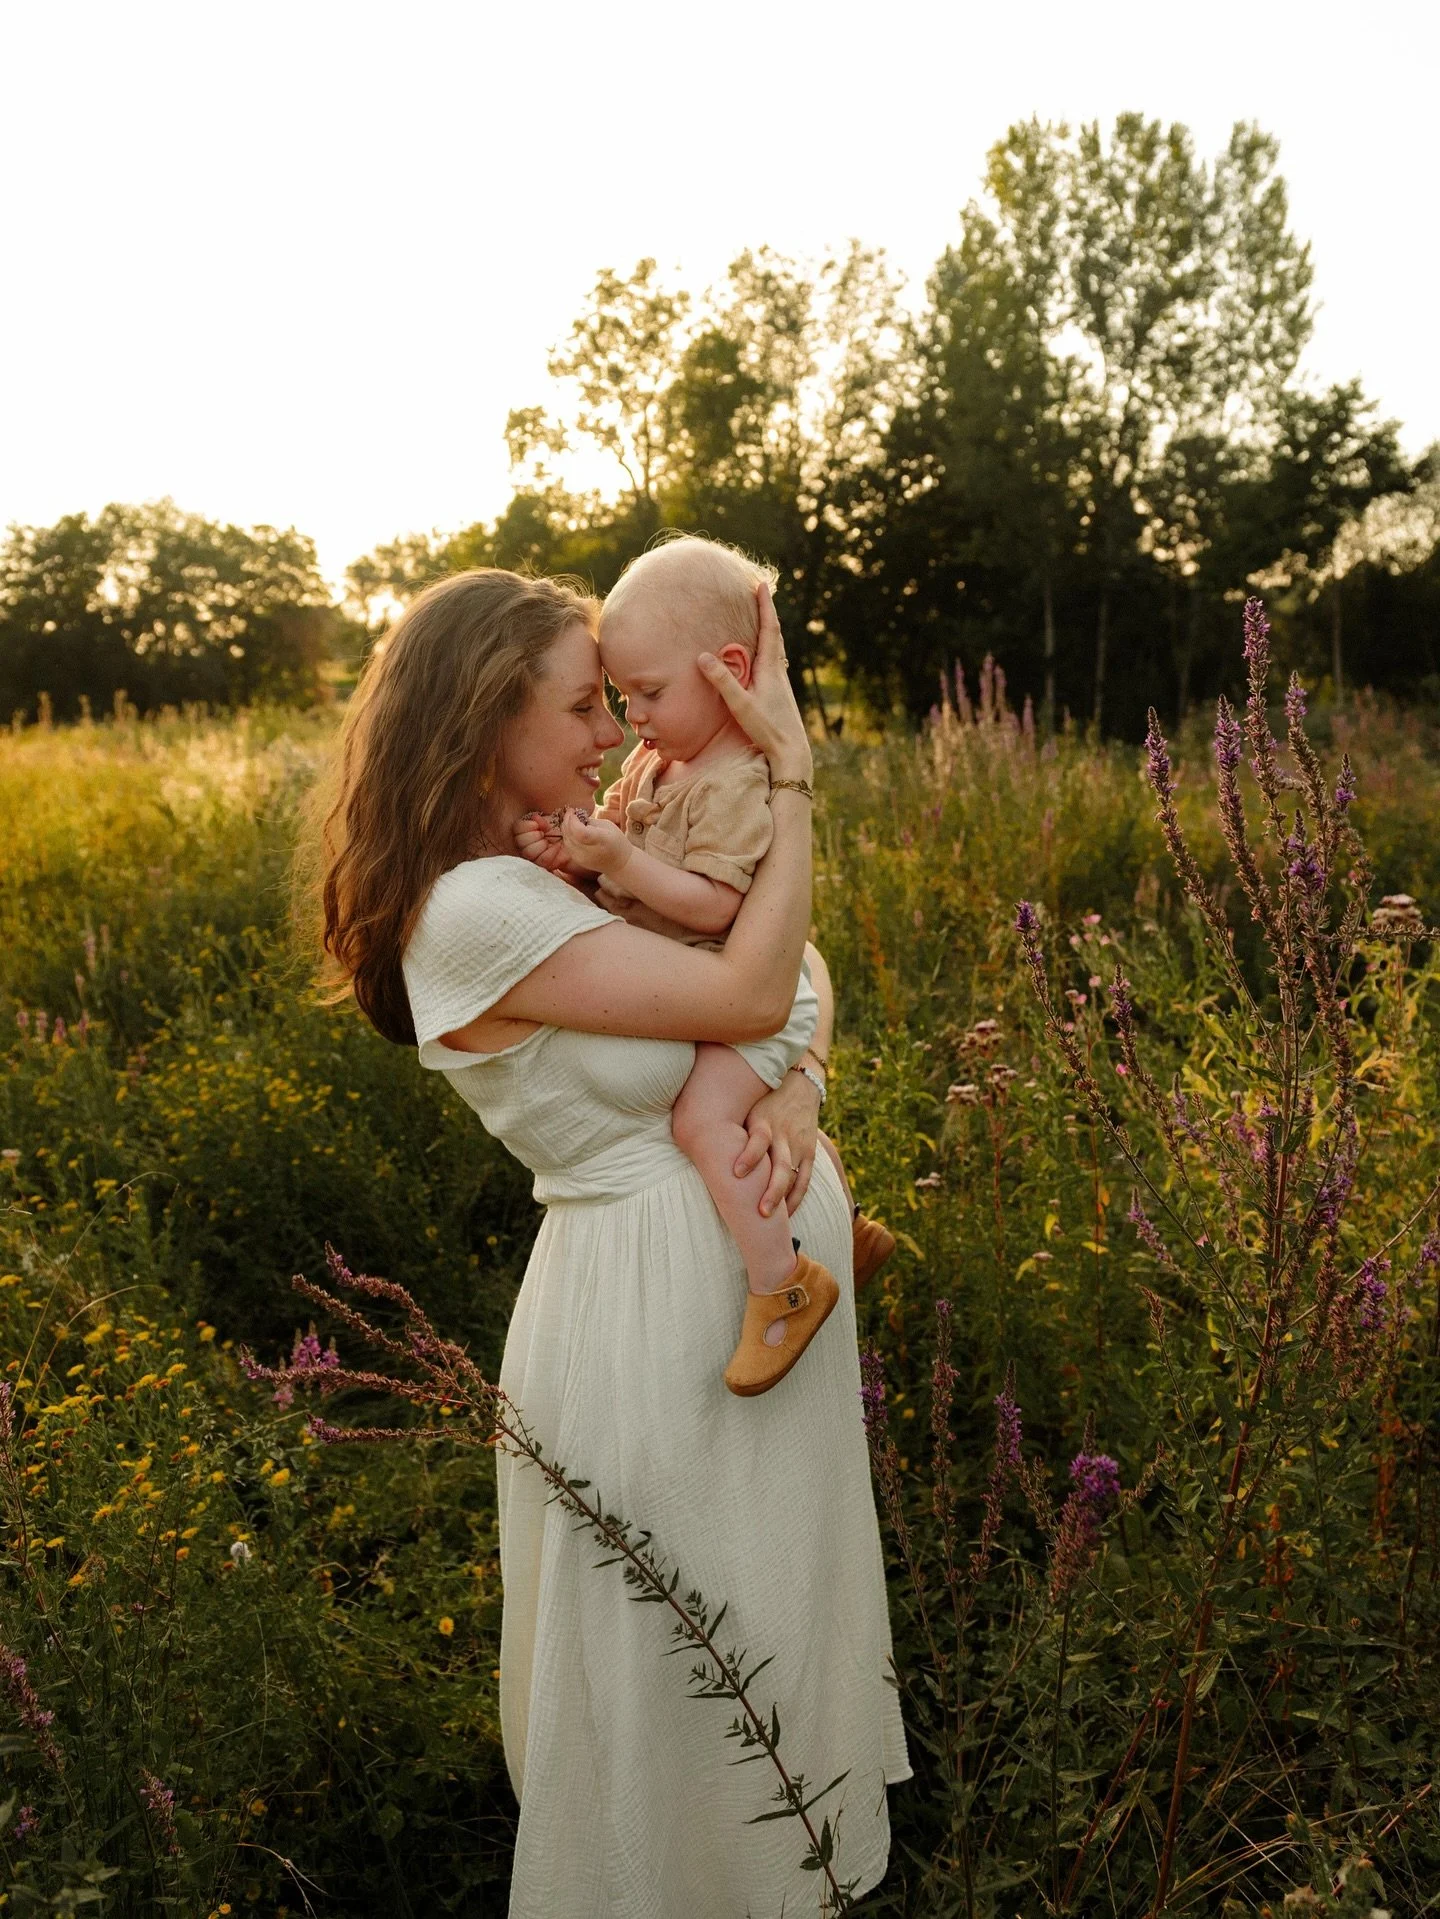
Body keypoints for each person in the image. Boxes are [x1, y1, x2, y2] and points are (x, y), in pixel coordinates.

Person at [315, 567, 909, 1918]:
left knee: (764, 1608)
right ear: (479, 713)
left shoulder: (557, 855)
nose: (610, 733)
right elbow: (759, 979)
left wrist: (794, 1085)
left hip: (735, 1309)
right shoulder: (479, 911)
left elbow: (780, 977)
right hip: (656, 1315)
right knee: (691, 1648)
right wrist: (795, 783)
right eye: (584, 704)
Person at [515, 537, 893, 1396]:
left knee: (702, 1120)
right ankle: (845, 1221)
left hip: (746, 990)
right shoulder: (661, 760)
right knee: (737, 1111)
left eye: (647, 692)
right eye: (616, 694)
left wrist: (619, 866)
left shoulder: (734, 781)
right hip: (716, 993)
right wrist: (577, 852)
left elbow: (718, 907)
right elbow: (618, 838)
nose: (629, 718)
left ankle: (784, 1286)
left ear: (728, 669)